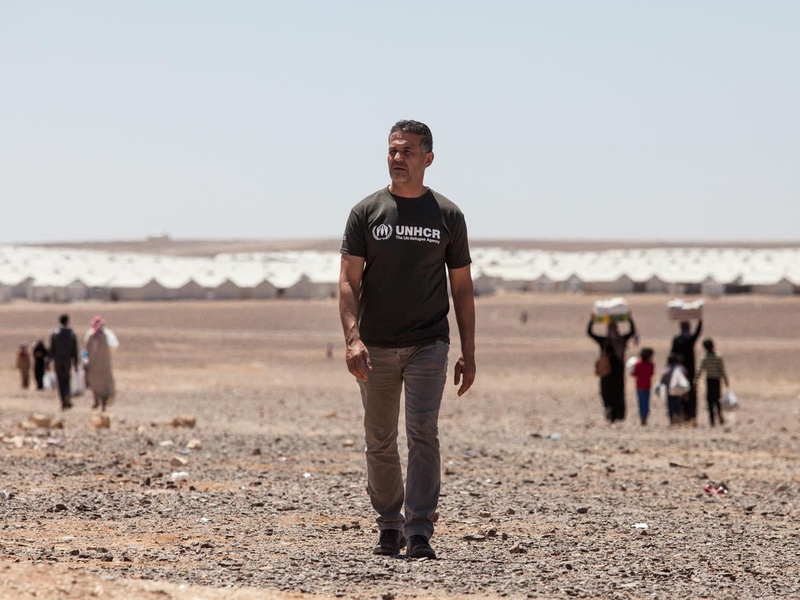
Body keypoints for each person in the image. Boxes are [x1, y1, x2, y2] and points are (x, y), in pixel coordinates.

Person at [338, 119, 476, 560]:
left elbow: (463, 288)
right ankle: (388, 524)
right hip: (375, 346)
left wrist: (468, 351)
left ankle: (419, 529)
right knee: (378, 439)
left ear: (428, 158)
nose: (398, 158)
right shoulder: (366, 212)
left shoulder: (448, 216)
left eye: (408, 152)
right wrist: (353, 339)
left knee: (422, 432)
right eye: (393, 151)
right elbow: (347, 281)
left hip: (428, 343)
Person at [587, 315, 637, 423]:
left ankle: (609, 410)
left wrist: (592, 321)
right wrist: (629, 318)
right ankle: (618, 414)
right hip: (618, 371)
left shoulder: (604, 340)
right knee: (618, 392)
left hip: (606, 371)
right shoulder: (622, 340)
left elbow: (590, 333)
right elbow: (632, 331)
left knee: (606, 392)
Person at [670, 320, 703, 424]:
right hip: (690, 369)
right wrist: (700, 320)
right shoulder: (690, 339)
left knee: (680, 391)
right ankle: (691, 416)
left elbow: (672, 353)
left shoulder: (676, 339)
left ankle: (682, 415)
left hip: (679, 369)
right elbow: (698, 333)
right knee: (691, 392)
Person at [84, 316, 118, 411]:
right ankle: (102, 404)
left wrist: (85, 361)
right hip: (104, 364)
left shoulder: (90, 335)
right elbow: (114, 347)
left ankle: (97, 402)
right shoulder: (107, 335)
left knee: (95, 384)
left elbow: (85, 350)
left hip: (94, 364)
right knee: (104, 384)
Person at [695, 338, 729, 427]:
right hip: (716, 380)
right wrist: (726, 380)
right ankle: (720, 417)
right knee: (717, 399)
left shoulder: (705, 357)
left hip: (709, 380)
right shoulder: (718, 356)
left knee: (710, 400)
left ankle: (712, 421)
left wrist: (695, 381)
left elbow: (700, 370)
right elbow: (722, 369)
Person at [49, 314, 79, 410]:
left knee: (60, 380)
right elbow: (75, 349)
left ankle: (63, 401)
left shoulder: (55, 333)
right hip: (67, 360)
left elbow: (52, 348)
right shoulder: (71, 333)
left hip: (58, 360)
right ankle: (67, 398)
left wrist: (48, 361)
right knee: (66, 379)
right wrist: (75, 363)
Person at [660, 353, 689, 425]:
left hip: (669, 390)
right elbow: (685, 377)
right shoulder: (681, 368)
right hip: (678, 389)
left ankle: (672, 419)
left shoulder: (667, 369)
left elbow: (663, 380)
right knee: (678, 404)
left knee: (670, 405)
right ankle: (678, 418)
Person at [630, 347, 655, 426]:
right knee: (646, 402)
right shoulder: (651, 365)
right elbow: (651, 374)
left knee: (640, 402)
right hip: (647, 385)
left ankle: (642, 417)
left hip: (639, 385)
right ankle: (644, 417)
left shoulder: (638, 364)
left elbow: (634, 374)